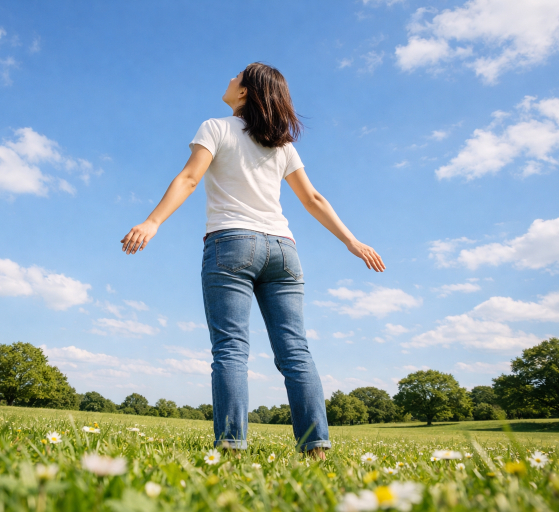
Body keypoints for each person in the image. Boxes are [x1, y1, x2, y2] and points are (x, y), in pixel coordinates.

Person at [121, 62, 385, 460]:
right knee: (296, 351)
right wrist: (352, 240)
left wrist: (153, 220)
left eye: (235, 77)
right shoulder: (282, 145)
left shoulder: (215, 127)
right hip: (284, 249)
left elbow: (190, 178)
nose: (228, 79)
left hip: (232, 243)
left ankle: (230, 448)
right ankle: (317, 452)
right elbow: (312, 199)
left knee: (230, 349)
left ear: (244, 92)